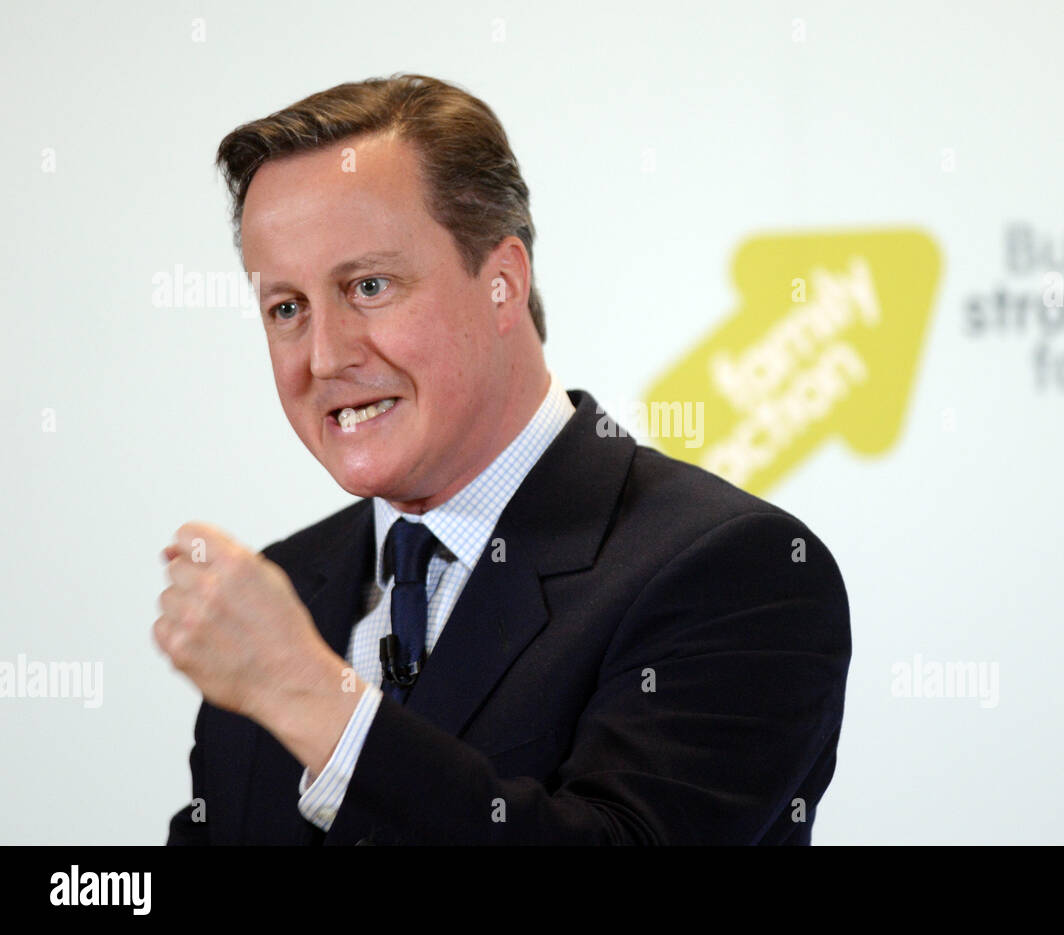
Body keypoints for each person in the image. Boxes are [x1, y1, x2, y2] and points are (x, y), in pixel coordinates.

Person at [156, 74, 851, 844]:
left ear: (503, 282)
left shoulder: (736, 569)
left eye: (369, 285)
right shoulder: (282, 591)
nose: (323, 356)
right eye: (287, 308)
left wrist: (310, 696)